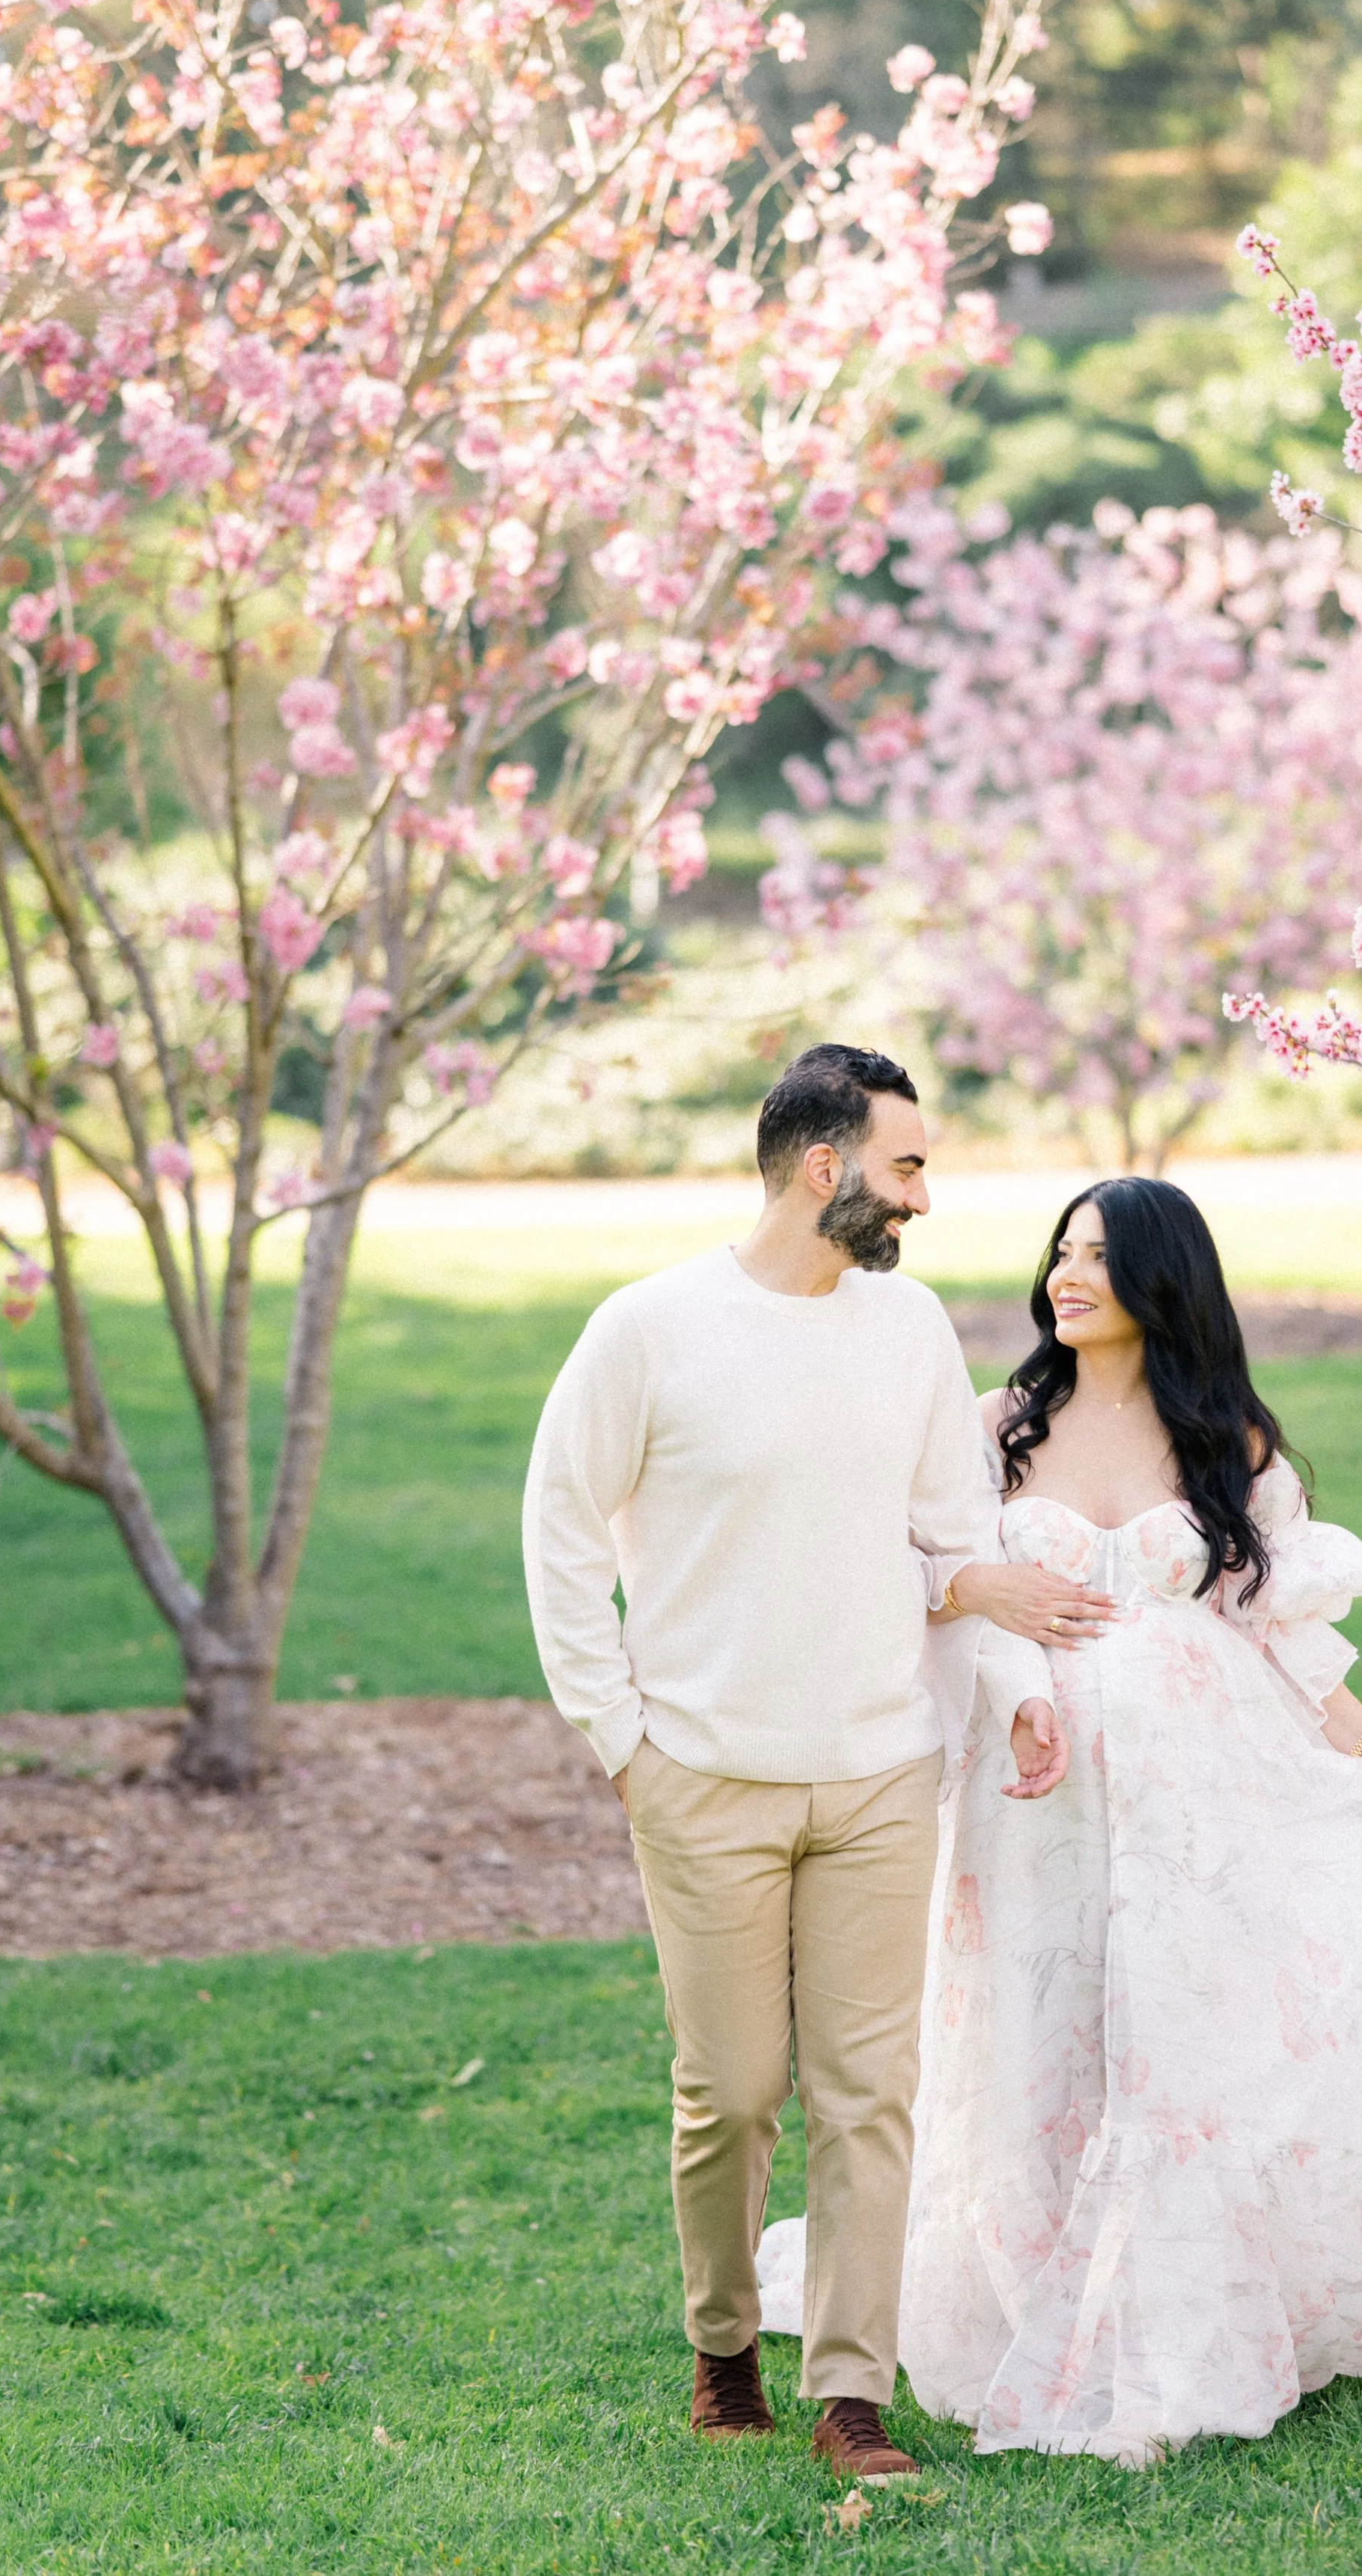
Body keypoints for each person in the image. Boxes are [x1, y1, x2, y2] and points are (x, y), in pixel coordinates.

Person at [765, 1175, 1362, 2466]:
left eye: (1097, 1257)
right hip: (1035, 1787)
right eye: (1059, 1253)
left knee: (1184, 2040)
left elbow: (1278, 1626)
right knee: (1045, 2018)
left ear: (1161, 1281)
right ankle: (1028, 2277)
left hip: (1205, 1789)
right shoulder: (998, 1427)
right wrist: (1009, 1646)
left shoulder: (1224, 1440)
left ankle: (1195, 2288)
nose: (1065, 1276)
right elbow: (929, 1573)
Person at [522, 1046, 1113, 2477]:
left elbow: (957, 1538)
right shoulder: (649, 1329)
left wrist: (1022, 1682)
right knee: (729, 2089)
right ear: (823, 1166)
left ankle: (853, 2388)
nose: (923, 1194)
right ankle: (725, 2351)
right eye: (906, 1165)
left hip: (877, 1776)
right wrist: (622, 1741)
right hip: (701, 1775)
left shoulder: (907, 1331)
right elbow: (558, 1527)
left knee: (868, 2091)